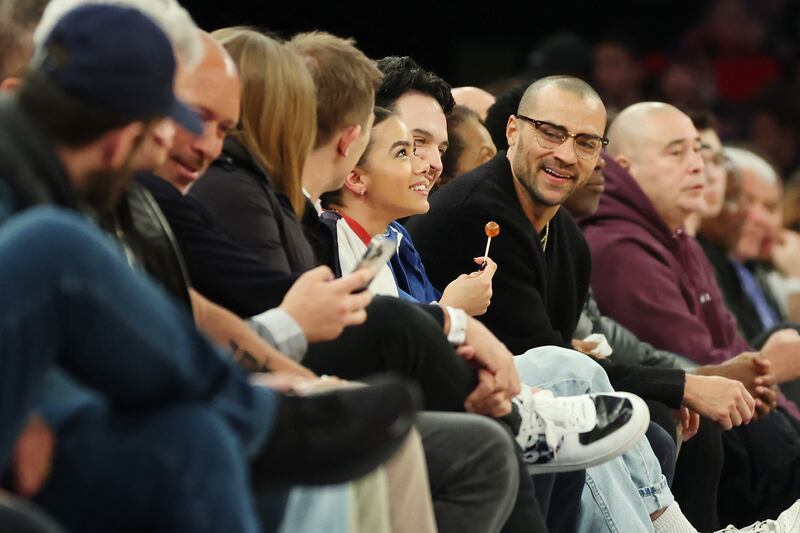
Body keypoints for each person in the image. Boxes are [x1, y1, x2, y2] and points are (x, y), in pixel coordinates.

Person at [0, 5, 419, 531]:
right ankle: (265, 423)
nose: (199, 145)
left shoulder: (119, 196)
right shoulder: (215, 194)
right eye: (186, 118)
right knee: (52, 247)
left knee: (194, 439)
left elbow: (175, 308)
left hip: (98, 397)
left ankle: (263, 421)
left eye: (226, 128)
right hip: (73, 398)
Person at [582, 100, 800, 527]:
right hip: (712, 438)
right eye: (675, 152)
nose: (697, 166)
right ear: (625, 167)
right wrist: (760, 370)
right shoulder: (619, 249)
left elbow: (731, 351)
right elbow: (705, 369)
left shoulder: (680, 239)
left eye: (698, 152)